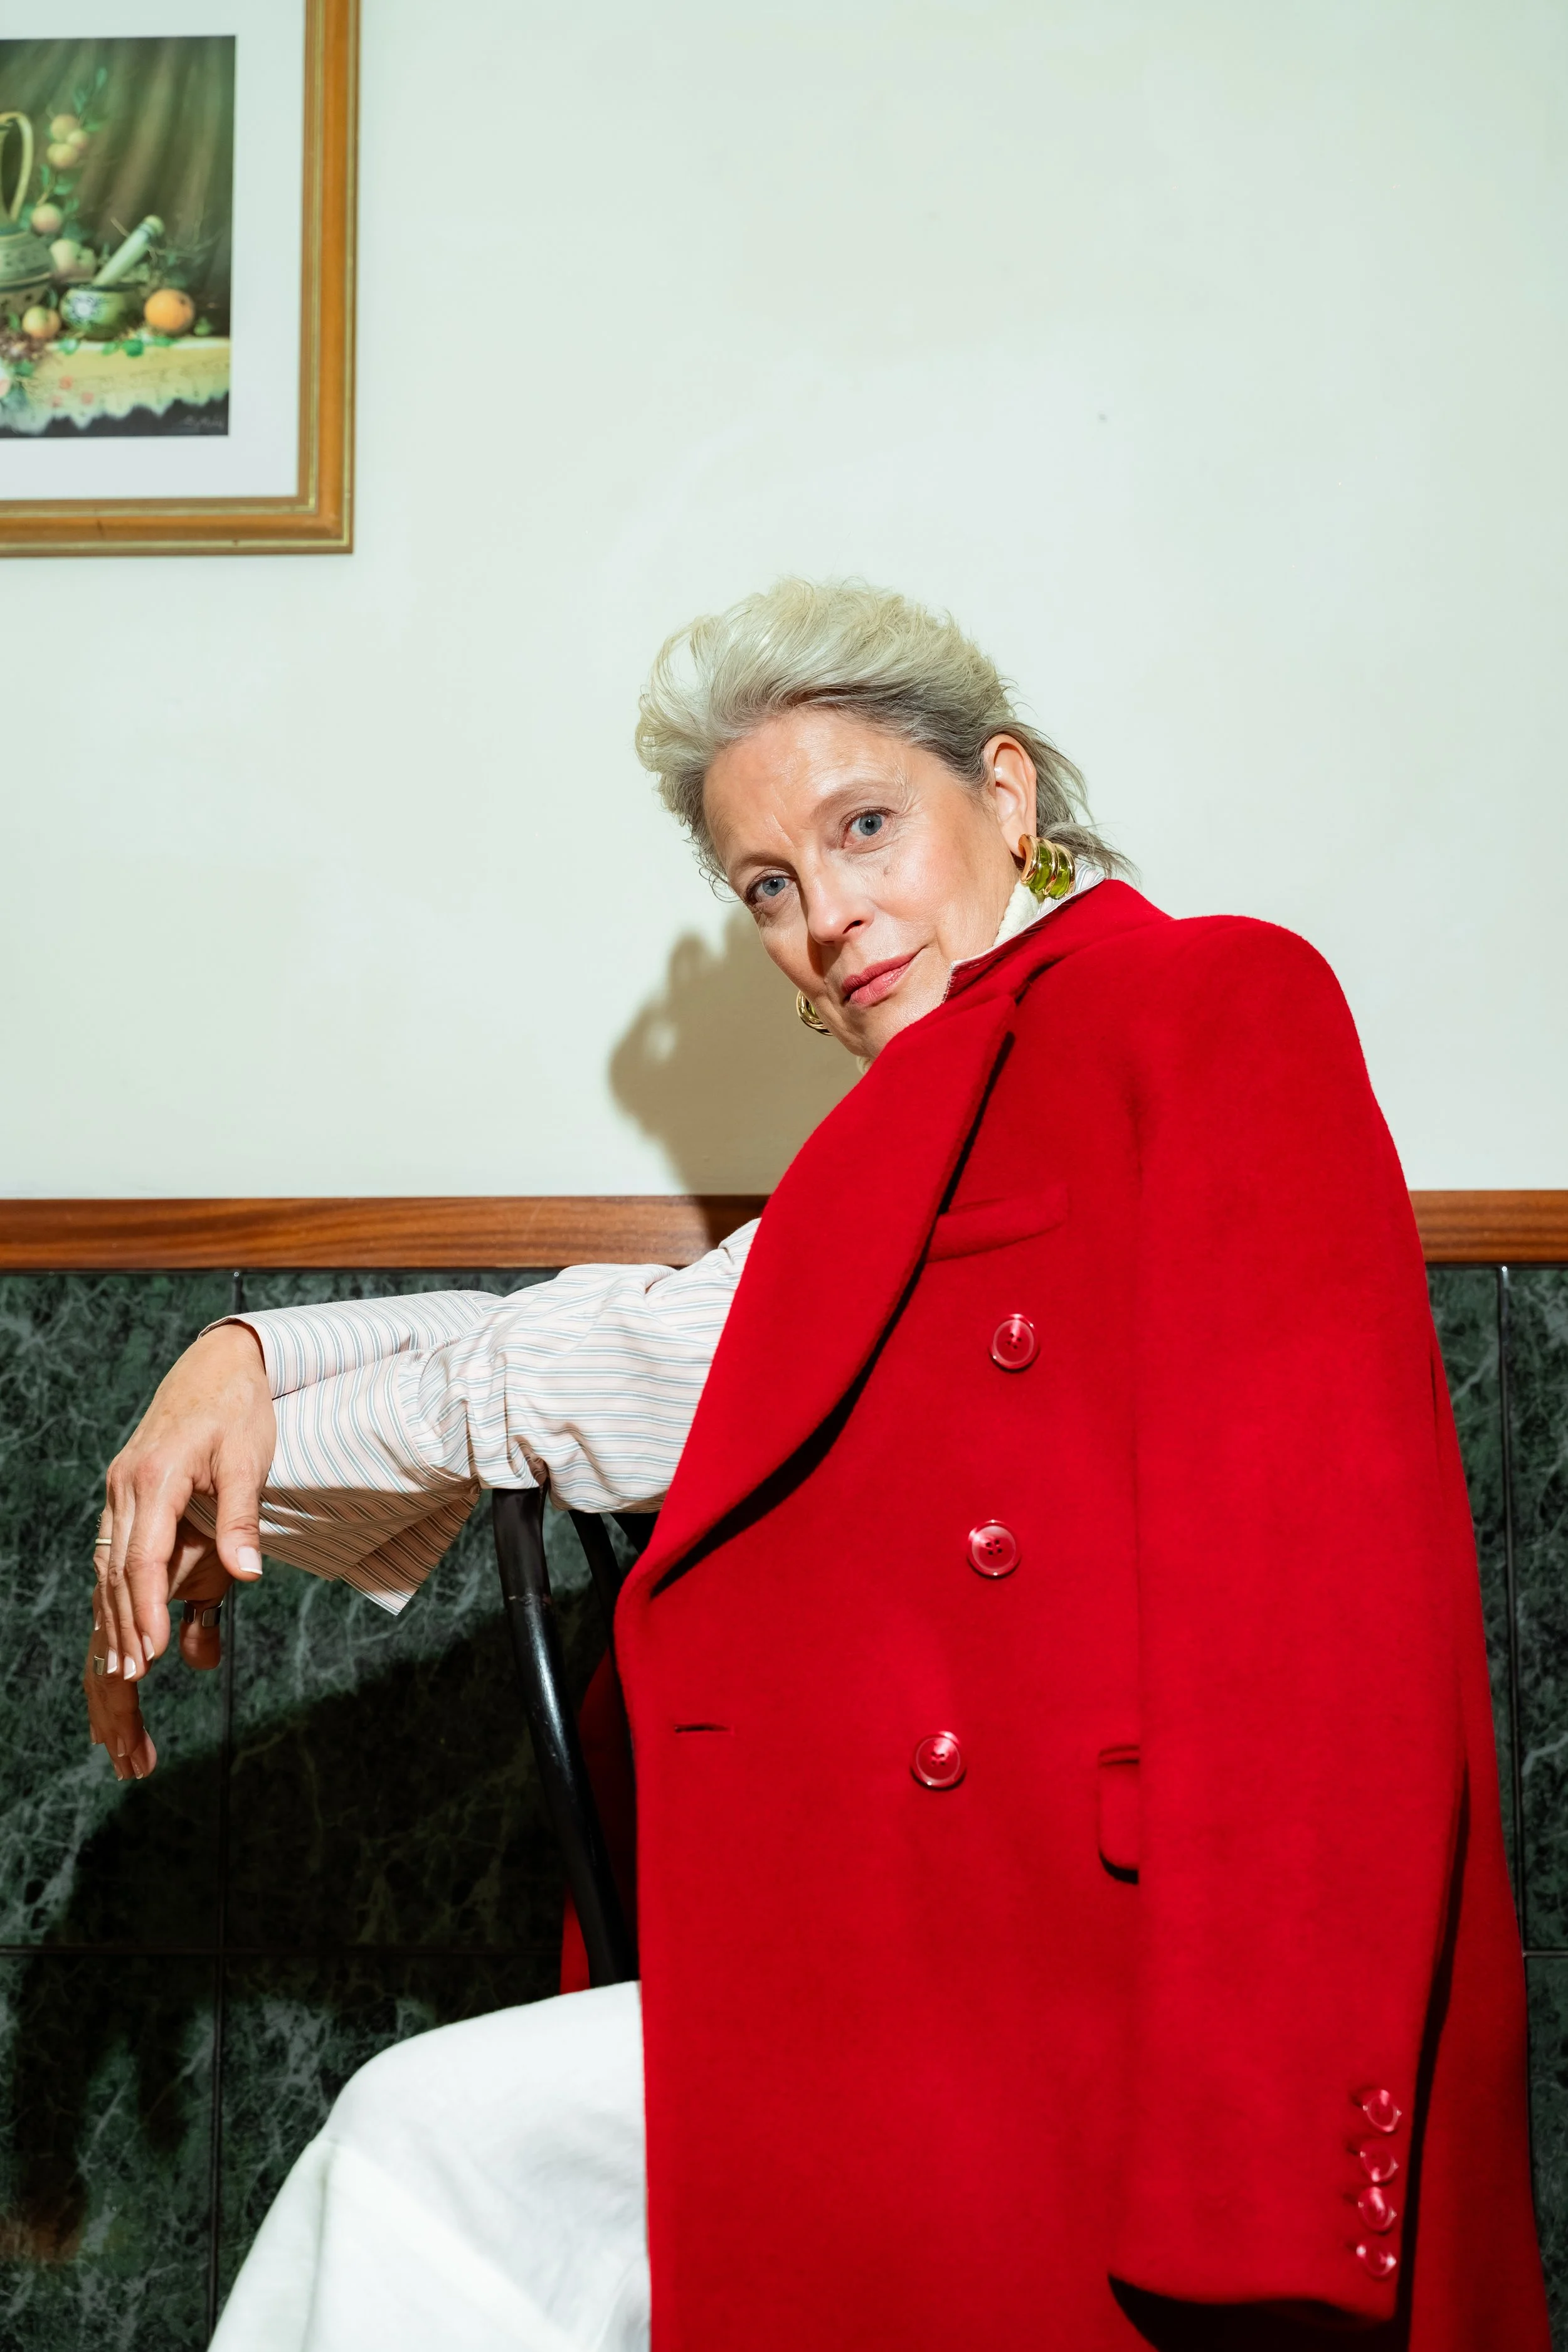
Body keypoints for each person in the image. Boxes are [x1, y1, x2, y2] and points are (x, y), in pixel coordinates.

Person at [86, 581, 1547, 2351]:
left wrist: (1272, 2177)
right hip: (890, 1968)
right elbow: (599, 1363)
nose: (826, 916)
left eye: (864, 827)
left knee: (415, 2153)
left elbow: (1325, 1617)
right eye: (767, 885)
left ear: (1002, 796)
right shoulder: (896, 1135)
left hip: (1120, 2001)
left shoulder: (1208, 997)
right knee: (407, 2156)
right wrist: (250, 1361)